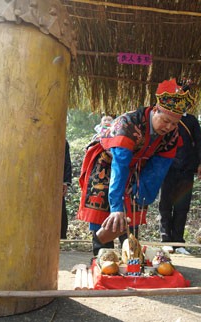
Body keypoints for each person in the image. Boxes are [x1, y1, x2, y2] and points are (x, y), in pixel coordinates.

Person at [77, 78, 192, 256]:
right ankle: (102, 253)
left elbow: (158, 171)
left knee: (132, 211)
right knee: (104, 208)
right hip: (107, 162)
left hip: (136, 167)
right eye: (165, 120)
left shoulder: (172, 135)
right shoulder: (129, 124)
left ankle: (130, 254)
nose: (169, 127)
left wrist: (140, 198)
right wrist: (116, 208)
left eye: (174, 123)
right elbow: (120, 166)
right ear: (155, 110)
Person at [159, 111, 201, 255]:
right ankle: (166, 240)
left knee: (182, 206)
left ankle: (178, 242)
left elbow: (199, 140)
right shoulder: (163, 117)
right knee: (165, 205)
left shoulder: (191, 119)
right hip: (166, 167)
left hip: (186, 168)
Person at [60, 140, 73, 239]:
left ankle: (61, 239)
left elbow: (67, 162)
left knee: (60, 213)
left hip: (55, 184)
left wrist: (65, 182)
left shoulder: (61, 141)